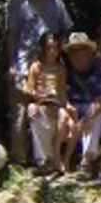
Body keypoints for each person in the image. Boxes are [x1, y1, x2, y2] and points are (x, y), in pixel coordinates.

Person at [5, 0, 73, 167]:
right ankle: (19, 161)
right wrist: (11, 64)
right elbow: (11, 35)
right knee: (19, 114)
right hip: (24, 65)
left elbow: (66, 29)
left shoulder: (56, 3)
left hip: (49, 66)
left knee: (50, 111)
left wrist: (57, 51)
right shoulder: (18, 3)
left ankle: (49, 157)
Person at [62, 32, 101, 176]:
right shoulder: (65, 73)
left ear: (89, 53)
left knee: (96, 116)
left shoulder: (98, 73)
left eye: (80, 52)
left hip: (89, 115)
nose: (77, 56)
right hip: (71, 115)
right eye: (73, 53)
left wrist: (87, 118)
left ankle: (86, 161)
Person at [22, 32, 68, 174]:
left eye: (55, 48)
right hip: (40, 102)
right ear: (43, 49)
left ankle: (56, 155)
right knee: (33, 111)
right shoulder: (36, 67)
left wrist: (64, 105)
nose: (53, 52)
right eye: (49, 48)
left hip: (55, 103)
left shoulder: (61, 69)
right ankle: (42, 159)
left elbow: (61, 92)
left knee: (64, 116)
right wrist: (38, 97)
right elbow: (29, 89)